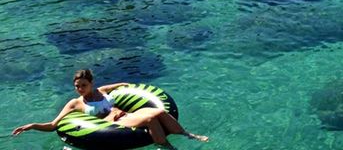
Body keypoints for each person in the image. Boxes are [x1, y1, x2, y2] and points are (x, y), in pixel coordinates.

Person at [12, 68, 207, 147]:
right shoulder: (75, 103)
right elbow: (53, 125)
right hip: (116, 123)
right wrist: (31, 126)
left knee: (160, 111)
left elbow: (122, 85)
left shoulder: (102, 91)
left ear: (91, 82)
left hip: (127, 113)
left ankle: (188, 135)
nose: (80, 89)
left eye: (83, 85)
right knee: (150, 118)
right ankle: (167, 147)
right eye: (77, 86)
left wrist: (132, 86)